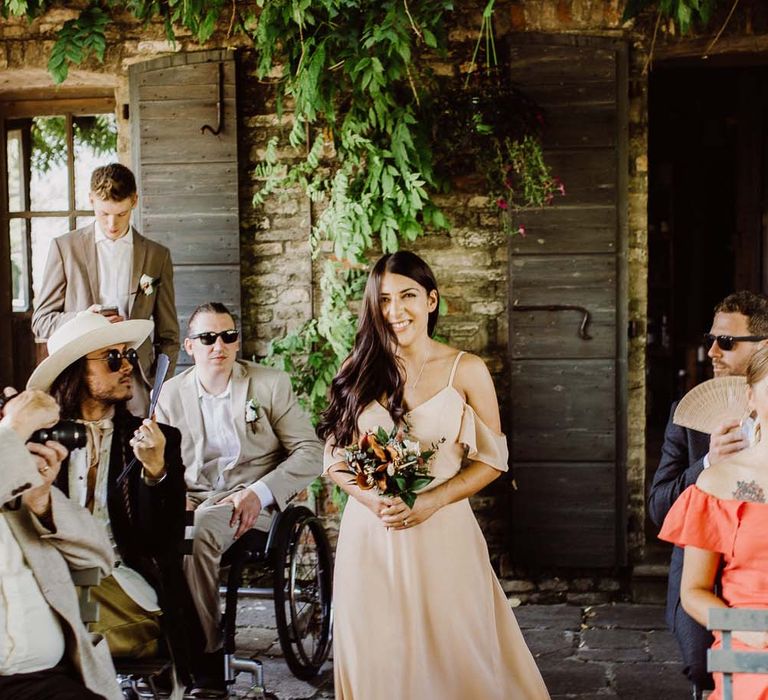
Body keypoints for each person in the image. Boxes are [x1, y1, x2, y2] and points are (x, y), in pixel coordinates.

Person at [317, 251, 550, 699]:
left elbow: (492, 461)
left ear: (431, 300)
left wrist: (430, 501)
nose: (395, 311)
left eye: (407, 296)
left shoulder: (467, 370)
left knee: (456, 655)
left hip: (441, 531)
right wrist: (368, 499)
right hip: (370, 537)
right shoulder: (357, 368)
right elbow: (333, 455)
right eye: (384, 300)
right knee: (377, 656)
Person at [26, 310, 204, 691]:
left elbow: (166, 541)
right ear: (75, 371)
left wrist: (155, 472)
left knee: (59, 622)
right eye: (112, 358)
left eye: (129, 356)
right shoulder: (37, 441)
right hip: (47, 581)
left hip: (119, 583)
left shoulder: (156, 438)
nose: (126, 366)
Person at [155, 301, 323, 695]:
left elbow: (311, 452)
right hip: (194, 499)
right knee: (150, 535)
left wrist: (258, 493)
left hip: (251, 504)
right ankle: (164, 644)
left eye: (229, 336)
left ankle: (207, 659)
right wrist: (171, 494)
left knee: (193, 537)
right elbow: (162, 463)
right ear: (189, 346)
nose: (220, 346)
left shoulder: (268, 384)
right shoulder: (169, 394)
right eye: (208, 338)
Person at [648, 291, 768, 698]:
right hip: (703, 575)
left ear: (764, 347)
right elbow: (659, 509)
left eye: (727, 342)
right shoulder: (688, 418)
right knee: (707, 665)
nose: (712, 351)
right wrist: (706, 466)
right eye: (712, 338)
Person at [0, 388, 121, 700]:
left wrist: (43, 504)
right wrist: (14, 429)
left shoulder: (15, 486)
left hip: (47, 680)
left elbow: (98, 561)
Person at [31, 162, 179, 414]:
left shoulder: (157, 255)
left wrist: (158, 385)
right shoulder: (65, 249)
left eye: (121, 214)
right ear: (91, 200)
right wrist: (82, 319)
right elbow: (41, 321)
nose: (112, 223)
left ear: (134, 201)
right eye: (103, 213)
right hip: (80, 378)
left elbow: (169, 335)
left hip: (137, 379)